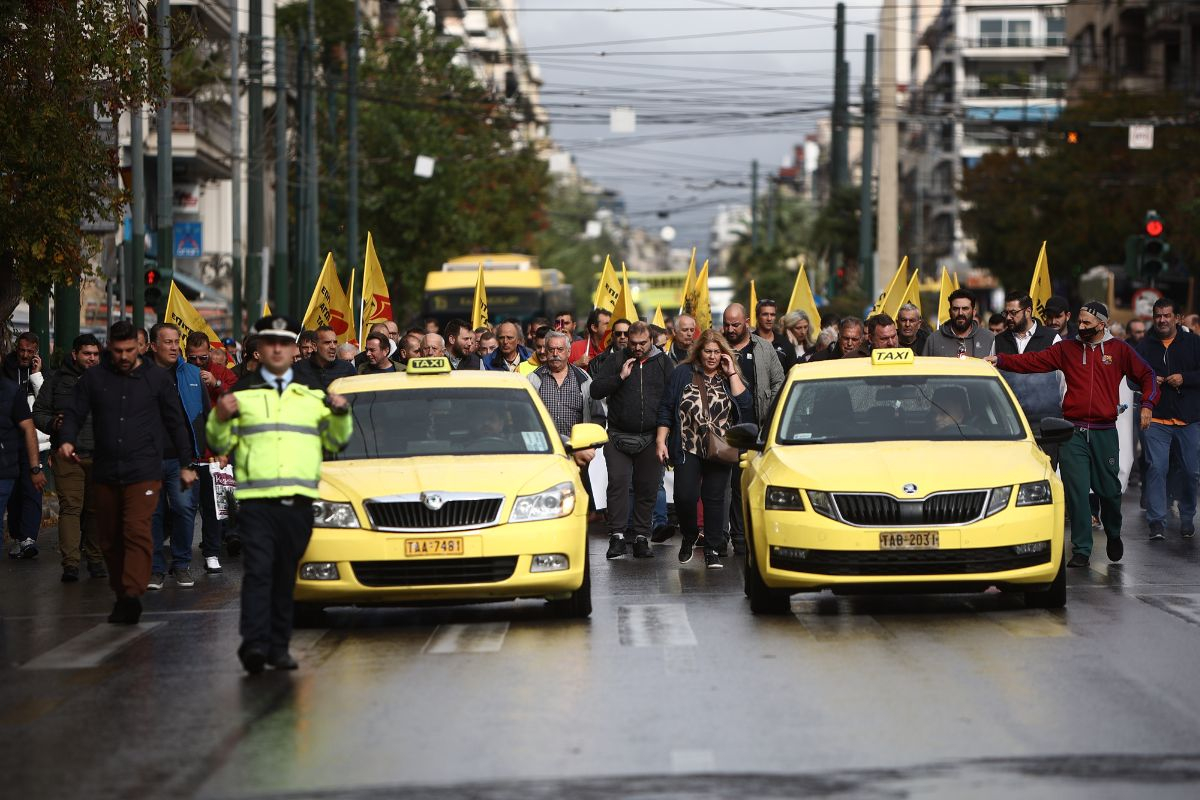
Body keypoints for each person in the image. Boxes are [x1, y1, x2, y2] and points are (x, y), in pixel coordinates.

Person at [207, 315, 353, 673]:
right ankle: (255, 644)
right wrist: (221, 418)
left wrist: (341, 413)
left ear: (293, 350)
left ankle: (278, 646)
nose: (277, 348)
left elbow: (336, 441)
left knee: (286, 574)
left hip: (299, 502)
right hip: (257, 503)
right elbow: (218, 443)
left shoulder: (310, 395)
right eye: (269, 342)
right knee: (259, 572)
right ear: (258, 348)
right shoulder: (240, 393)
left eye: (284, 343)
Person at [986, 301, 1158, 568]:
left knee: (1109, 491)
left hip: (1104, 431)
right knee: (1076, 491)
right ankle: (1081, 549)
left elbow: (1147, 374)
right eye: (1080, 321)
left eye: (1088, 322)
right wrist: (1001, 359)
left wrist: (1147, 405)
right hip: (1073, 431)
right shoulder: (1066, 349)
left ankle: (1113, 532)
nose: (1082, 326)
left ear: (1102, 324)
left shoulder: (1119, 350)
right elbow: (1033, 361)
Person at [58, 321, 194, 624]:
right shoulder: (94, 378)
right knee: (109, 538)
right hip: (106, 469)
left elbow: (176, 422)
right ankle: (122, 593)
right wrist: (67, 439)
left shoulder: (156, 379)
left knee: (136, 529)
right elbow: (74, 411)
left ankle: (132, 593)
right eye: (118, 350)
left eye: (130, 350)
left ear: (141, 347)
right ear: (110, 347)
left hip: (144, 469)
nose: (123, 356)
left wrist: (186, 464)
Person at [656, 329, 752, 569]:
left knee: (714, 499)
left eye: (716, 352)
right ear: (699, 352)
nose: (711, 356)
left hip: (721, 447)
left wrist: (731, 372)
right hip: (688, 445)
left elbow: (746, 405)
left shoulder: (729, 375)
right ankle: (690, 536)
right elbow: (667, 407)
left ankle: (712, 548)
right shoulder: (682, 373)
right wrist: (661, 441)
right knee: (684, 497)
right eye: (707, 351)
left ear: (723, 354)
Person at [591, 321, 673, 560]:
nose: (637, 348)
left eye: (642, 343)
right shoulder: (617, 359)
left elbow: (672, 400)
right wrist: (619, 377)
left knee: (647, 488)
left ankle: (640, 538)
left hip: (650, 437)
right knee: (618, 484)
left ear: (652, 340)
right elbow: (595, 389)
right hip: (618, 436)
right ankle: (616, 537)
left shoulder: (663, 363)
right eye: (633, 343)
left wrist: (665, 438)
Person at [32, 334, 106, 581]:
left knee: (95, 510)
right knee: (71, 508)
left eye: (96, 354)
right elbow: (39, 412)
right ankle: (71, 563)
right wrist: (53, 423)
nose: (92, 358)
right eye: (87, 354)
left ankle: (95, 560)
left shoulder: (108, 379)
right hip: (67, 454)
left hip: (100, 455)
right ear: (75, 354)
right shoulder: (55, 380)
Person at [146, 323, 209, 590]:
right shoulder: (141, 376)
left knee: (184, 510)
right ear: (153, 346)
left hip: (183, 459)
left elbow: (205, 413)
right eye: (168, 342)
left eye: (176, 341)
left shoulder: (192, 373)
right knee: (153, 514)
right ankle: (155, 569)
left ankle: (181, 564)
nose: (174, 347)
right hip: (148, 460)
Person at [722, 303, 785, 554]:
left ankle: (747, 537)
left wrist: (771, 413)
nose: (730, 329)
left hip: (757, 429)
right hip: (725, 429)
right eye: (726, 324)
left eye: (735, 324)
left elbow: (779, 381)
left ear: (746, 322)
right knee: (727, 486)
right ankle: (733, 537)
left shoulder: (763, 348)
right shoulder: (718, 346)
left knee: (749, 484)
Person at [1136, 298, 1200, 540]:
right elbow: (1132, 377)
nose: (1162, 320)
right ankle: (1156, 522)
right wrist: (1150, 382)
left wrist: (1185, 378)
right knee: (1156, 468)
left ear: (1177, 318)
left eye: (1167, 315)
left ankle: (1186, 516)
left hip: (1189, 419)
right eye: (1158, 316)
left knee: (1191, 471)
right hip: (1157, 419)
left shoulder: (1193, 343)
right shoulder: (1144, 346)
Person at [184, 331, 238, 571]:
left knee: (214, 507)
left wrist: (215, 384)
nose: (197, 363)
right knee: (184, 508)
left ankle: (212, 552)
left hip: (214, 453)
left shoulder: (222, 372)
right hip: (187, 451)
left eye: (202, 358)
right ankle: (181, 556)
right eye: (192, 358)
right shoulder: (180, 373)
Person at [3, 331, 46, 559]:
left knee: (33, 488)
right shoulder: (7, 370)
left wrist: (37, 376)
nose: (25, 355)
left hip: (35, 440)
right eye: (22, 350)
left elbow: (45, 403)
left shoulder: (41, 372)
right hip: (11, 440)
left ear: (36, 352)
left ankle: (28, 538)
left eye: (30, 351)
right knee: (14, 493)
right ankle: (19, 537)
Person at [528, 331, 602, 460]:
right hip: (543, 452)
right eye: (551, 349)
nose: (555, 354)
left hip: (577, 452)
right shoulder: (533, 380)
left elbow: (597, 415)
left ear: (568, 352)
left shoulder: (583, 379)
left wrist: (589, 446)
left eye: (560, 349)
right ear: (546, 352)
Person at [923, 289, 995, 358]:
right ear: (950, 311)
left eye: (965, 308)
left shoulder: (989, 338)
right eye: (955, 309)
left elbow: (997, 369)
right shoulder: (933, 340)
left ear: (974, 312)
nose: (960, 313)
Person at [754, 299, 796, 371]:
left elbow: (793, 372)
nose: (769, 318)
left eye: (772, 315)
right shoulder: (748, 342)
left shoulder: (785, 344)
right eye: (765, 314)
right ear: (757, 317)